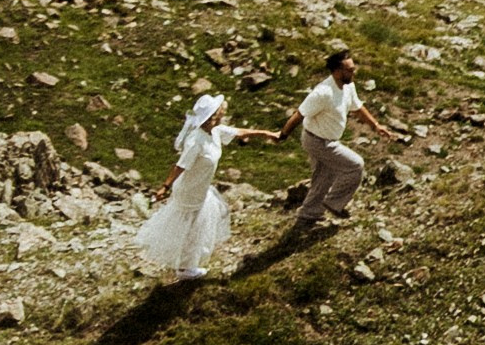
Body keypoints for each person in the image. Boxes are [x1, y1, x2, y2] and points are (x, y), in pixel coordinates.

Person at [137, 88, 272, 282]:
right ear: (212, 117)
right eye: (219, 113)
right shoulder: (196, 140)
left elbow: (239, 132)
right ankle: (185, 268)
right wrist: (164, 187)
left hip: (200, 189)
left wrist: (266, 133)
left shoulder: (215, 131)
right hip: (189, 191)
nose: (222, 115)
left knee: (199, 225)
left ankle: (188, 265)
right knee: (189, 228)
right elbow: (180, 166)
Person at [276, 47, 394, 236]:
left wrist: (376, 126)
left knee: (323, 178)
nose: (353, 72)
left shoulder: (348, 86)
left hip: (327, 139)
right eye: (349, 69)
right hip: (316, 140)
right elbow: (300, 114)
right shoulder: (323, 93)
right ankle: (334, 204)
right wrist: (283, 135)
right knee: (355, 166)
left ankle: (308, 215)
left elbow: (357, 107)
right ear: (337, 71)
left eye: (353, 68)